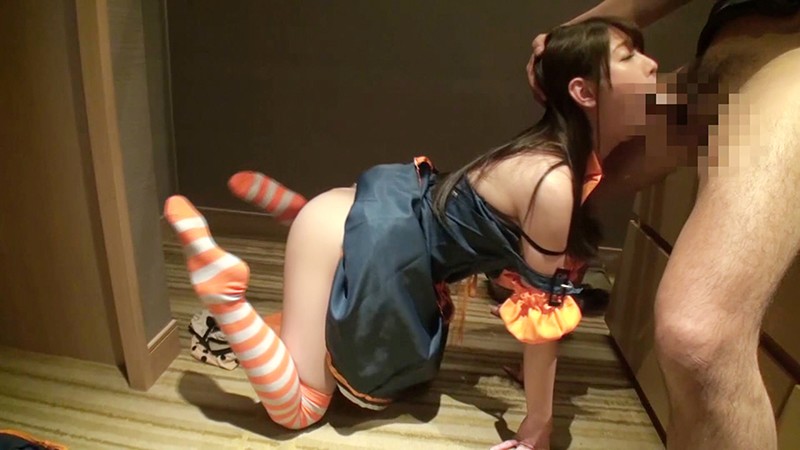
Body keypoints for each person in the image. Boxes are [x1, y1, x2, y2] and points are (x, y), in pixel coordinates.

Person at [164, 17, 658, 449]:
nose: (652, 64)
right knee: (301, 408)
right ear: (584, 92)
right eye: (629, 56)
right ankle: (228, 299)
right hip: (357, 240)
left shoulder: (549, 158)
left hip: (363, 217)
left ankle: (297, 214)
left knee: (321, 326)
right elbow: (541, 317)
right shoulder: (553, 181)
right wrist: (538, 425)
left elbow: (523, 285)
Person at [526, 1, 800, 449]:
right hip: (715, 74)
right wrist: (570, 36)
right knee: (550, 194)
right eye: (630, 55)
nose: (650, 62)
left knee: (699, 336)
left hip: (785, 71)